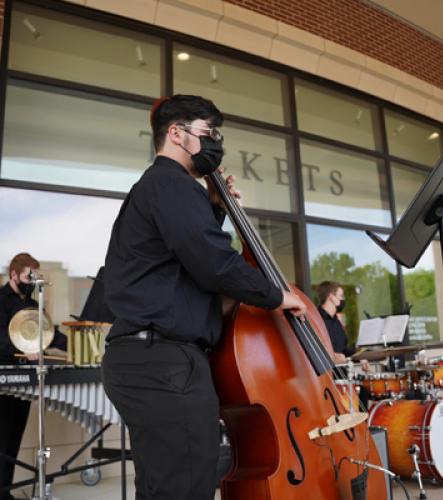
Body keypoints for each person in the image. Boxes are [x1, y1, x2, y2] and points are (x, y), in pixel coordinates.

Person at [102, 94, 306, 500]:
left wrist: (214, 209)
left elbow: (183, 264)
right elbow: (215, 264)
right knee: (183, 487)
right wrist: (277, 296)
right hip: (164, 363)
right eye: (208, 133)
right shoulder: (170, 183)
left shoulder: (165, 189)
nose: (216, 142)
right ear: (177, 134)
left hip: (153, 359)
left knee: (170, 486)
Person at [0, 253, 67, 500]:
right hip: (5, 378)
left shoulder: (32, 305)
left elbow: (49, 335)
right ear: (14, 275)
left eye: (35, 276)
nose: (32, 281)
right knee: (2, 441)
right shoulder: (0, 300)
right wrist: (22, 347)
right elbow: (0, 340)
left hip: (27, 380)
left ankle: (5, 492)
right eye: (29, 276)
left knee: (15, 437)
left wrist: (77, 347)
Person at [316, 280, 370, 371]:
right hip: (327, 376)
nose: (343, 299)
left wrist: (360, 357)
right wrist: (332, 356)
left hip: (343, 375)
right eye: (341, 296)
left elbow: (344, 349)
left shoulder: (336, 321)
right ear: (331, 297)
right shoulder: (316, 319)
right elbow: (316, 350)